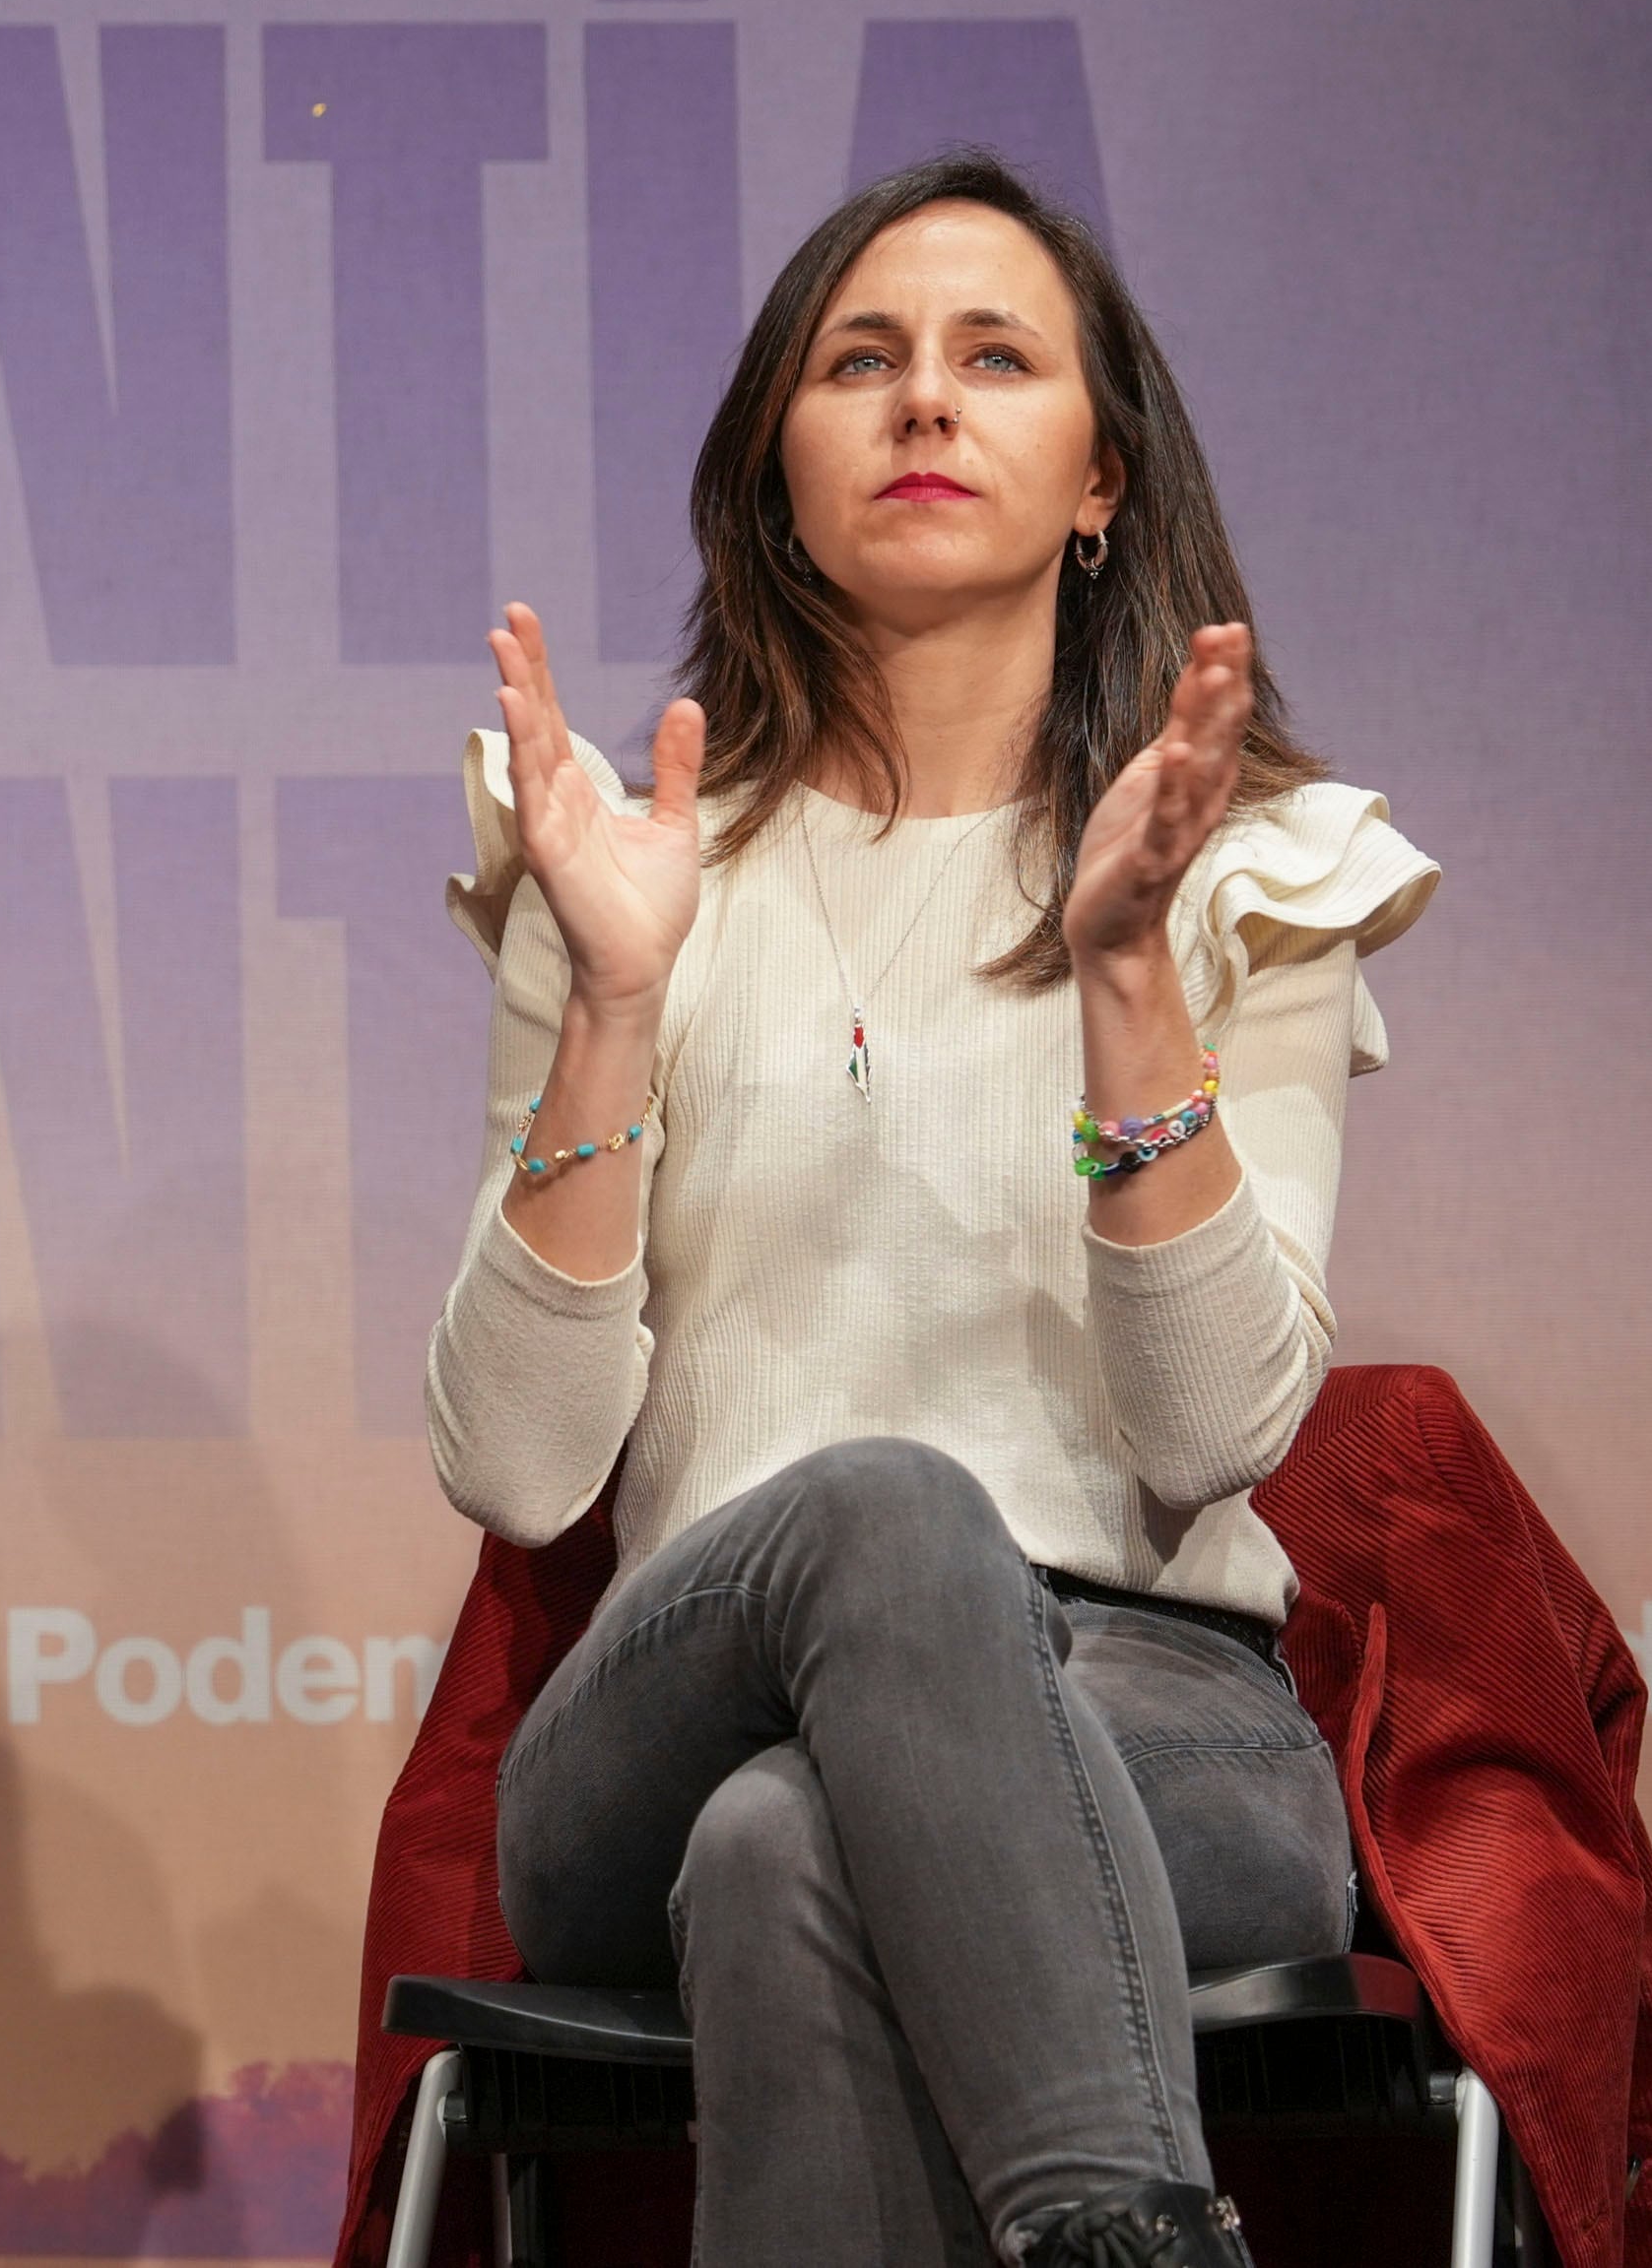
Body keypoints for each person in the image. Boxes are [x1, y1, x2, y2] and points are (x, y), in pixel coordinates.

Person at [429, 154, 1436, 2268]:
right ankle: (1143, 2232)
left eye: (994, 357)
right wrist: (615, 995)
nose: (920, 403)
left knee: (788, 1850)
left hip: (1152, 1713)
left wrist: (1130, 977)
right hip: (686, 1676)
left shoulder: (1245, 869)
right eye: (858, 360)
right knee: (881, 1517)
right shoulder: (627, 868)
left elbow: (1206, 1437)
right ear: (772, 473)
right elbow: (519, 1466)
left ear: (1097, 479)